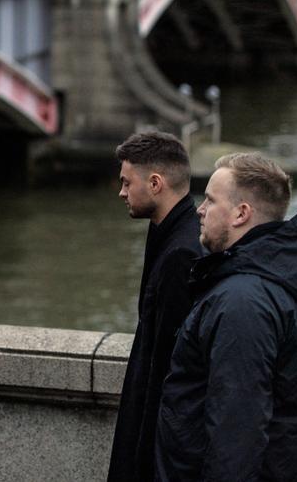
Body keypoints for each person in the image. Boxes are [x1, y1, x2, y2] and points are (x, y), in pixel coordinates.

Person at [156, 152, 297, 481]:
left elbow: (237, 434)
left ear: (241, 213)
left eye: (209, 199)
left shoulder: (242, 302)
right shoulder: (262, 285)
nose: (199, 210)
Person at [107, 132, 202, 482]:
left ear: (156, 183)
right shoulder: (175, 235)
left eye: (126, 182)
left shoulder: (181, 255)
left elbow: (167, 366)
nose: (121, 192)